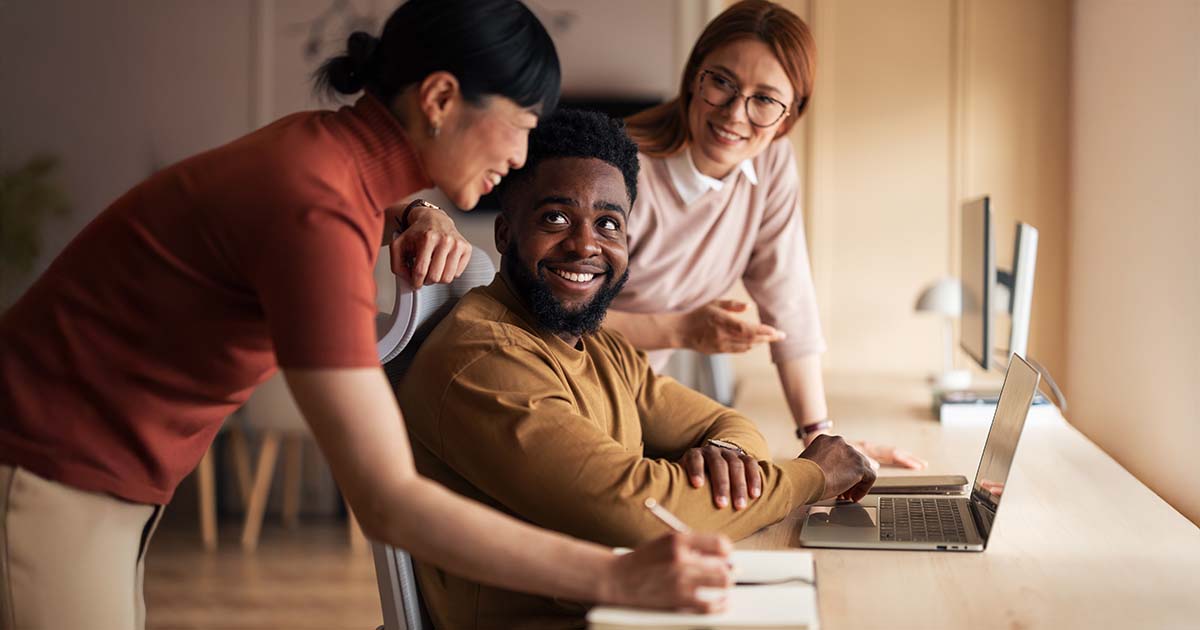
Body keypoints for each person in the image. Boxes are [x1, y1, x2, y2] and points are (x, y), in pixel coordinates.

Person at [0, 2, 731, 627]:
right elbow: (386, 502)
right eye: (519, 125)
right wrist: (614, 578)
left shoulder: (327, 164)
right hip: (44, 465)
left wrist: (417, 211)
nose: (520, 156)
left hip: (92, 475)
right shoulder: (314, 208)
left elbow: (350, 192)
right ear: (440, 99)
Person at [398, 108, 876, 629]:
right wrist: (813, 475)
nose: (585, 244)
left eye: (608, 223)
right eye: (555, 218)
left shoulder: (599, 345)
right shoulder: (483, 360)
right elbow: (640, 516)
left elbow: (728, 425)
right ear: (506, 233)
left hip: (627, 610)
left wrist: (729, 455)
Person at [605, 0, 927, 469]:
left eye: (765, 99)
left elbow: (788, 300)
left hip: (637, 390)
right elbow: (549, 312)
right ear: (695, 75)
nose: (737, 113)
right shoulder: (616, 166)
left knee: (743, 448)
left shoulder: (771, 162)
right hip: (569, 380)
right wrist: (679, 329)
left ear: (790, 114)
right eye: (722, 83)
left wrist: (821, 437)